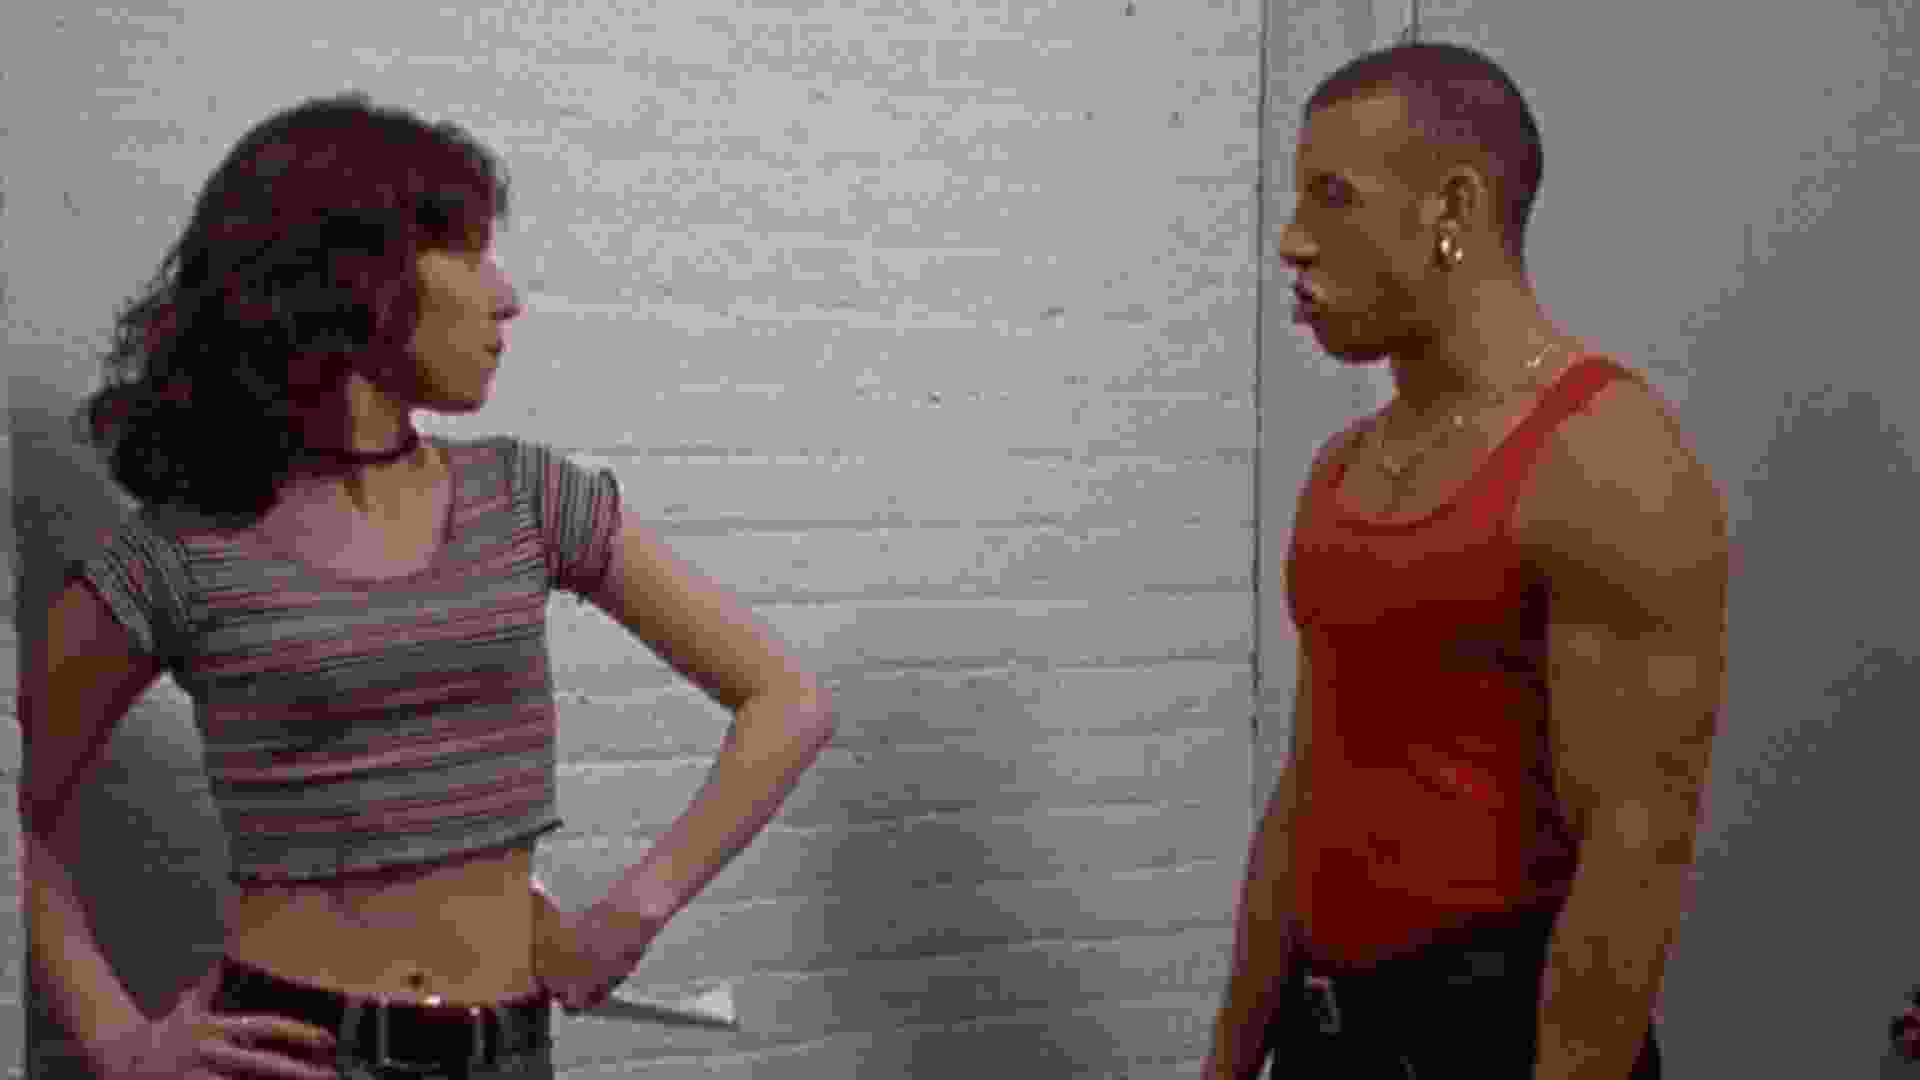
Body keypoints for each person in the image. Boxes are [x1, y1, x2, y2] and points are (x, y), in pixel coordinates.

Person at [20, 93, 837, 1080]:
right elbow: (22, 808)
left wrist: (637, 907)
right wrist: (116, 1038)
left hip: (506, 1052)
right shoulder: (182, 553)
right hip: (295, 1052)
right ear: (354, 273)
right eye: (471, 252)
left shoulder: (526, 498)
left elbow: (787, 701)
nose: (507, 297)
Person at [1249, 41, 1728, 1078]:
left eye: (1333, 198)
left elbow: (1635, 852)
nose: (1292, 240)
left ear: (1452, 208)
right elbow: (1306, 792)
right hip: (1326, 1033)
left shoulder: (1608, 462)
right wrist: (1232, 1059)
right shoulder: (1344, 466)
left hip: (1498, 1041)